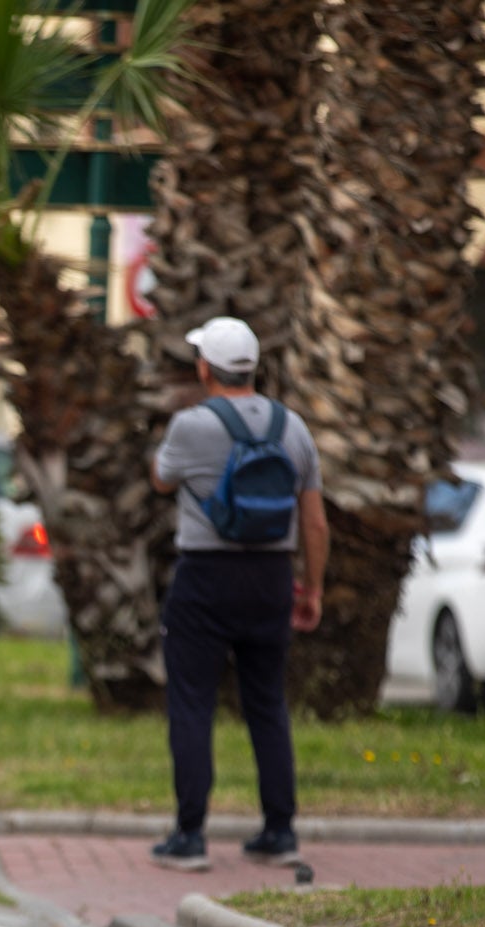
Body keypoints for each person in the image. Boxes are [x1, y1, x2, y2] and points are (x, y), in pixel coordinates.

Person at [149, 316, 329, 872]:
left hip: (205, 577)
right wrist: (312, 587)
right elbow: (315, 521)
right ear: (253, 367)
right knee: (268, 704)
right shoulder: (292, 427)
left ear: (206, 368)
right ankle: (280, 831)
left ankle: (190, 835)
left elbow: (161, 479)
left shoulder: (191, 425)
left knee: (193, 704)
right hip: (272, 578)